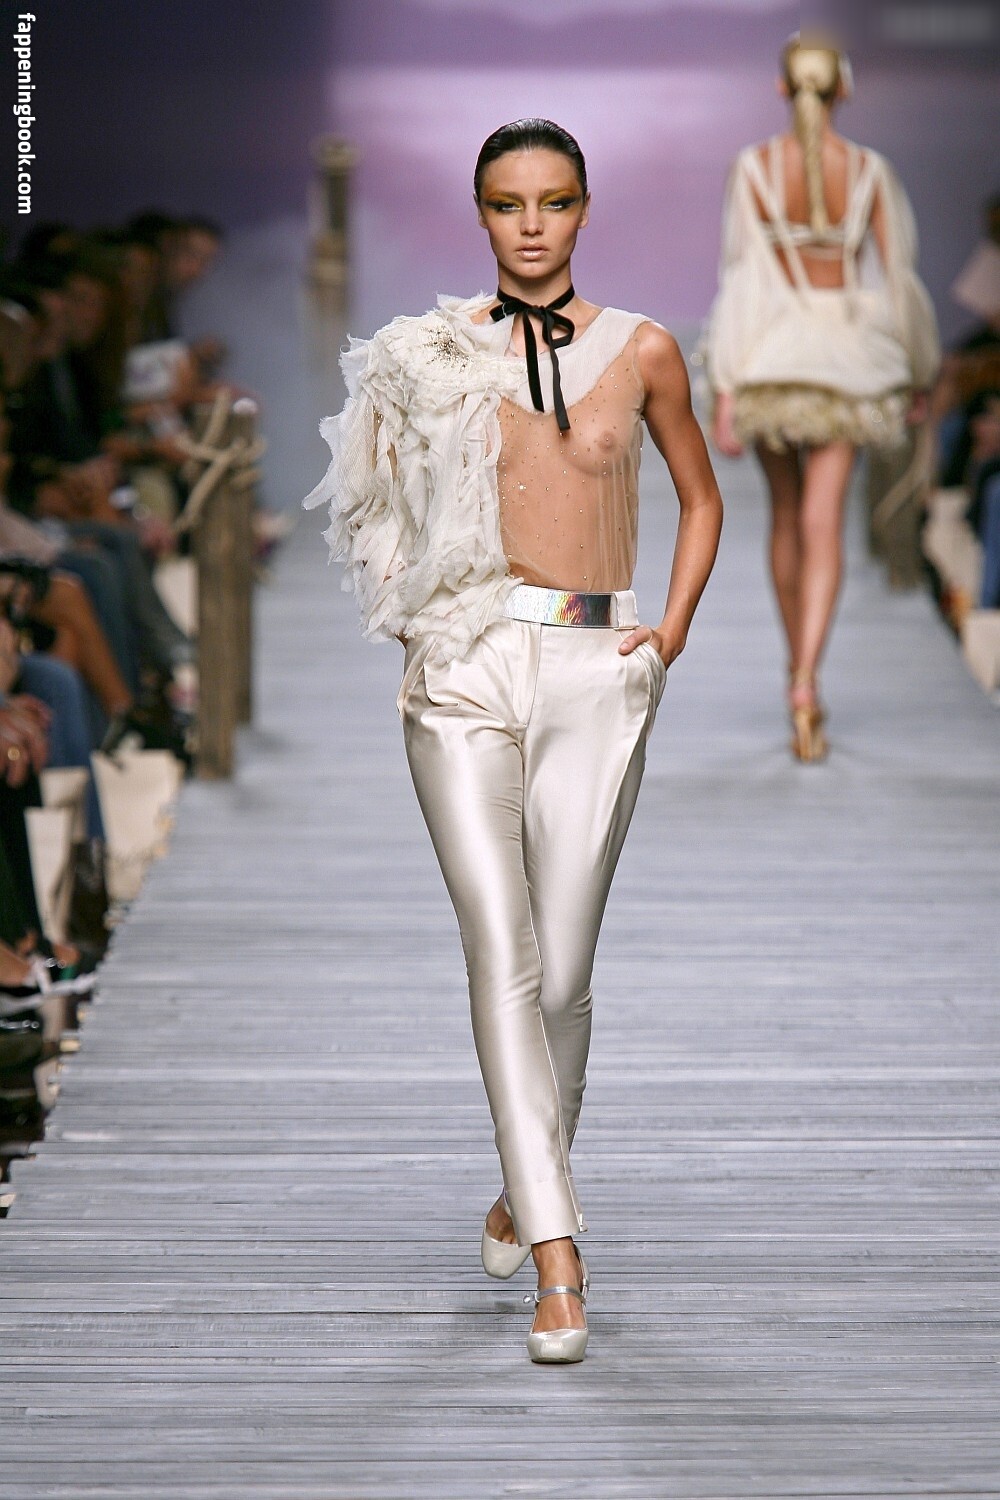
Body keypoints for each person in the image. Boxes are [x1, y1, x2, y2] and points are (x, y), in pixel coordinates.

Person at [306, 118, 723, 1363]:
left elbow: (700, 496)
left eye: (551, 201)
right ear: (480, 213)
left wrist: (670, 631)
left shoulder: (642, 349)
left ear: (583, 209)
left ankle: (520, 1182)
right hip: (467, 668)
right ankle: (557, 1255)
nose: (530, 224)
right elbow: (377, 508)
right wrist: (416, 625)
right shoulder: (425, 355)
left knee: (566, 971)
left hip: (599, 663)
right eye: (506, 203)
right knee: (502, 956)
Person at [706, 31, 940, 760]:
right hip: (847, 357)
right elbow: (898, 280)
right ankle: (808, 678)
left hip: (772, 356)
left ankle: (793, 667)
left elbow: (741, 279)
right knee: (822, 520)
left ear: (783, 88)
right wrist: (917, 369)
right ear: (844, 89)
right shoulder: (869, 171)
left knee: (785, 517)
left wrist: (725, 386)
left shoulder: (754, 168)